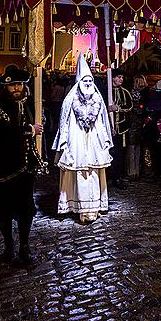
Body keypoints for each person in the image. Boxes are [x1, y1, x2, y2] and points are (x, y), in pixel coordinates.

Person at [0, 66, 44, 265]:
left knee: (26, 209)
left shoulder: (31, 103)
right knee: (3, 210)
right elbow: (5, 131)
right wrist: (30, 129)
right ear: (5, 86)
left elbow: (40, 124)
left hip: (25, 168)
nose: (17, 88)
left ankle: (24, 247)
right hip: (2, 167)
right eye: (12, 85)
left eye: (19, 84)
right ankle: (8, 245)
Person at [52, 54, 113, 223]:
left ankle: (93, 207)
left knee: (94, 171)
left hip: (93, 141)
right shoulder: (70, 99)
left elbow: (102, 121)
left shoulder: (98, 99)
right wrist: (64, 141)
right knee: (77, 171)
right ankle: (76, 206)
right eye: (84, 81)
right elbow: (64, 122)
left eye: (90, 81)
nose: (87, 84)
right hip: (76, 140)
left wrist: (104, 139)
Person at [108, 68, 132, 189]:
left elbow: (129, 106)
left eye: (122, 77)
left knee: (119, 154)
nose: (120, 79)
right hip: (107, 128)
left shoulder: (125, 92)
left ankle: (117, 177)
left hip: (121, 128)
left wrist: (117, 108)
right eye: (118, 77)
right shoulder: (107, 91)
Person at [126, 74, 149, 180]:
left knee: (135, 147)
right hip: (135, 123)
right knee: (135, 147)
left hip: (136, 123)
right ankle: (134, 170)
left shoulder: (139, 94)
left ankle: (134, 171)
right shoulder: (137, 94)